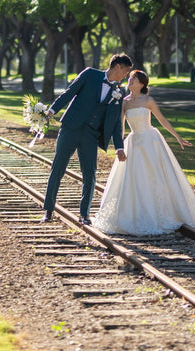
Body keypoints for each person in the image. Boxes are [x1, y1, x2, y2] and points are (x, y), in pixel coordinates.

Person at [92, 69, 195, 236]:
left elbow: (161, 119)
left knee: (156, 176)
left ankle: (163, 212)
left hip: (151, 141)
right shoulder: (124, 102)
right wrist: (119, 147)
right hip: (134, 142)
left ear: (141, 84)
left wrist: (178, 137)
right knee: (134, 178)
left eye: (133, 79)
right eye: (130, 78)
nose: (130, 81)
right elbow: (121, 127)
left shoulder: (148, 100)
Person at [38, 53, 133, 225]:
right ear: (117, 66)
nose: (125, 76)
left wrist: (119, 147)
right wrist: (52, 110)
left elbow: (116, 123)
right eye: (125, 71)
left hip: (91, 135)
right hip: (70, 128)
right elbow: (69, 93)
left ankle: (85, 215)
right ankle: (48, 210)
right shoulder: (89, 74)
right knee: (57, 168)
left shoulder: (119, 92)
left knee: (90, 175)